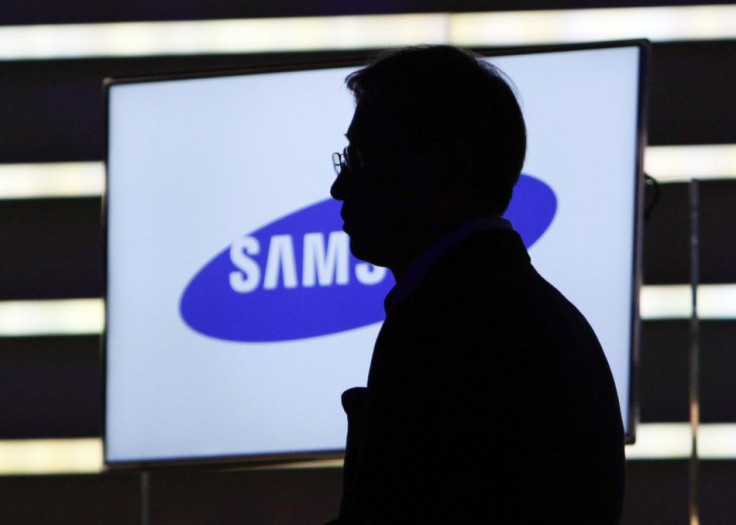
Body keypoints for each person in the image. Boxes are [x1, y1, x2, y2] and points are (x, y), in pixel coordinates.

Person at [328, 45, 625, 524]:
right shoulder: (539, 314)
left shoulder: (448, 326)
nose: (340, 187)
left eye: (362, 157)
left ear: (448, 165)